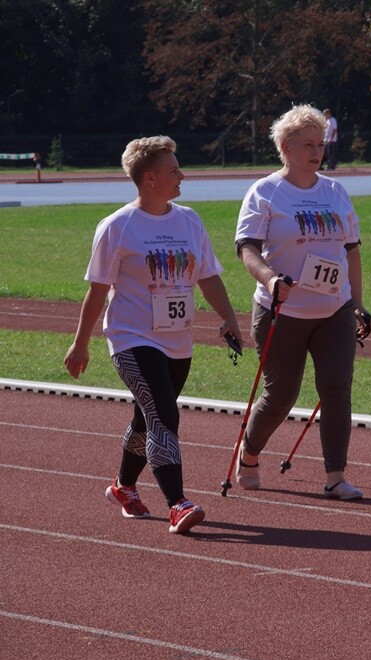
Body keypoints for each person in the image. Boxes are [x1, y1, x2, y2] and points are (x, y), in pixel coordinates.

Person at [63, 136, 243, 534]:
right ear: (150, 178)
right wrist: (81, 343)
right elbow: (96, 291)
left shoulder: (189, 219)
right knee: (164, 413)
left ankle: (123, 486)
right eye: (174, 169)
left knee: (147, 418)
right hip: (131, 337)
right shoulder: (117, 226)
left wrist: (229, 317)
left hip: (177, 339)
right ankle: (178, 503)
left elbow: (208, 275)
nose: (182, 175)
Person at [234, 104, 371, 500]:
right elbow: (247, 249)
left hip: (335, 309)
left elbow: (352, 250)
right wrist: (271, 279)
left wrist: (359, 303)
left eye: (321, 144)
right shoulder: (266, 191)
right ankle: (250, 452)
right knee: (281, 396)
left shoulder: (335, 191)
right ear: (285, 147)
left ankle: (335, 476)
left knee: (336, 390)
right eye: (307, 144)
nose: (317, 151)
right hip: (283, 311)